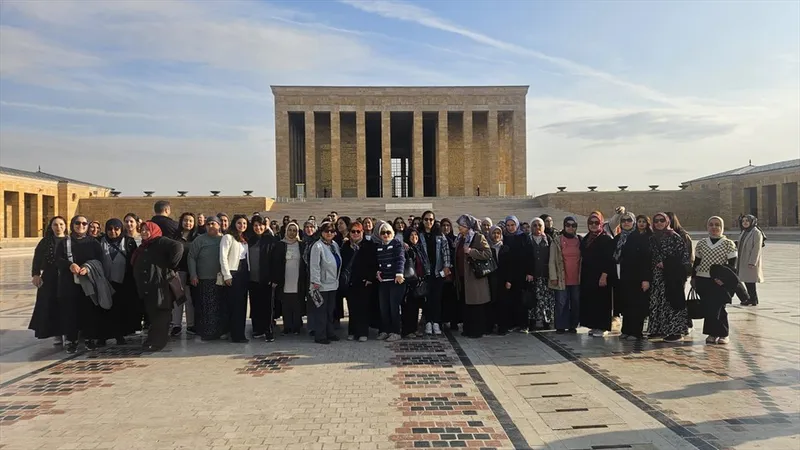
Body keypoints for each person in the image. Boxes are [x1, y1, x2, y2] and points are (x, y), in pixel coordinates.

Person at [131, 221, 183, 351]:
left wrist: (171, 264)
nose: (144, 232)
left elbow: (178, 246)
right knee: (154, 315)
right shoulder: (144, 246)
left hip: (160, 286)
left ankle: (158, 343)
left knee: (161, 314)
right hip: (149, 287)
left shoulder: (160, 241)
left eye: (147, 230)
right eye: (142, 229)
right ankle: (152, 340)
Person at [56, 215, 104, 353]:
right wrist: (69, 265)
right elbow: (57, 260)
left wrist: (88, 268)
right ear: (72, 225)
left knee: (88, 311)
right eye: (77, 223)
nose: (81, 226)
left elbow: (99, 260)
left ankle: (89, 339)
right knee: (70, 312)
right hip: (69, 284)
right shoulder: (65, 242)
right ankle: (72, 340)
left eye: (84, 223)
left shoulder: (93, 243)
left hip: (88, 282)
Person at [692, 216, 737, 345]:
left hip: (718, 281)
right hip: (703, 279)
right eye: (711, 224)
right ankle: (711, 333)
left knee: (719, 307)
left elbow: (732, 265)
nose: (714, 227)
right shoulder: (701, 243)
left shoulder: (728, 244)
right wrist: (694, 278)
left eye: (717, 225)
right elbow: (697, 262)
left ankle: (723, 333)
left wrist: (724, 280)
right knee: (708, 307)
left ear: (721, 227)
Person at [646, 212, 691, 342]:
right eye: (656, 221)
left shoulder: (675, 237)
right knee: (658, 302)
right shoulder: (652, 238)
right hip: (657, 277)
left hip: (672, 276)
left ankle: (676, 331)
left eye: (662, 220)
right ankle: (659, 329)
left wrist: (666, 264)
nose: (659, 223)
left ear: (667, 222)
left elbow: (683, 258)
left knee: (673, 303)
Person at [98, 218, 139, 345]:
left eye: (116, 229)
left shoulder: (129, 242)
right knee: (104, 309)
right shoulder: (99, 242)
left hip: (123, 283)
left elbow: (135, 261)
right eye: (110, 229)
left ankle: (119, 335)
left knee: (120, 310)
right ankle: (103, 335)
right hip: (104, 282)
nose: (113, 232)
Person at [612, 212, 651, 340]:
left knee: (637, 305)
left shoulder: (641, 237)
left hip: (638, 276)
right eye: (623, 220)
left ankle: (636, 332)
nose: (626, 223)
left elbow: (646, 259)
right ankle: (627, 330)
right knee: (627, 304)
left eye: (629, 220)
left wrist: (646, 278)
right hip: (624, 276)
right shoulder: (619, 238)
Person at [29, 216, 68, 345]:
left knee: (66, 304)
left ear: (65, 226)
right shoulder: (45, 241)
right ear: (51, 227)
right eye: (55, 225)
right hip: (50, 278)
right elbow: (37, 258)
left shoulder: (69, 240)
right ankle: (56, 332)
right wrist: (35, 274)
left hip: (66, 277)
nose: (59, 227)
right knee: (51, 304)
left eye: (61, 224)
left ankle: (68, 332)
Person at [454, 215, 492, 339]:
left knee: (476, 305)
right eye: (460, 225)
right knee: (466, 304)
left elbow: (487, 253)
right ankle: (467, 328)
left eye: (463, 225)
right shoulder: (460, 238)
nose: (460, 227)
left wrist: (471, 251)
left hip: (474, 277)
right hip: (462, 276)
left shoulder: (477, 237)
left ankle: (476, 330)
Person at [188, 216, 225, 341]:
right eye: (208, 224)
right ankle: (208, 332)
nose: (210, 226)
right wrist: (193, 274)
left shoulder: (224, 239)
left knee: (220, 306)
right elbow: (191, 257)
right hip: (204, 279)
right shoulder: (200, 240)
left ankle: (221, 331)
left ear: (219, 225)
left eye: (213, 223)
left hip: (221, 280)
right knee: (206, 307)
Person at [269, 222, 307, 335]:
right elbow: (275, 263)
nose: (292, 232)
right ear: (286, 231)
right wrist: (275, 279)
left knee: (296, 303)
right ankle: (287, 326)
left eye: (294, 230)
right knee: (286, 304)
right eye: (290, 230)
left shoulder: (301, 245)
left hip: (297, 277)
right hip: (285, 278)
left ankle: (296, 326)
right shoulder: (280, 245)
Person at [340, 221, 376, 341]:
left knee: (363, 308)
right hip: (350, 281)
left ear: (362, 232)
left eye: (358, 231)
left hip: (364, 281)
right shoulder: (345, 246)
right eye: (353, 231)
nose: (355, 234)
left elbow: (374, 263)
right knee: (352, 307)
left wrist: (370, 278)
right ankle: (352, 331)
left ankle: (363, 333)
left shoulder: (368, 245)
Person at [579, 212, 614, 337]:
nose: (593, 225)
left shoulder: (605, 238)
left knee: (602, 301)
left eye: (596, 223)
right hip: (589, 275)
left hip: (601, 275)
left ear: (601, 223)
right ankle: (594, 325)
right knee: (592, 301)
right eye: (591, 223)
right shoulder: (587, 238)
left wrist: (604, 275)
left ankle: (602, 327)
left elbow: (609, 259)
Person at [418, 211, 451, 336]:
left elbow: (445, 251)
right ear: (422, 220)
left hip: (437, 272)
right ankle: (428, 322)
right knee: (427, 298)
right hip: (425, 272)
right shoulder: (419, 235)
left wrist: (447, 266)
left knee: (436, 298)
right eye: (426, 219)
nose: (428, 222)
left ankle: (436, 322)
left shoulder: (439, 235)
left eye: (431, 219)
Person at [309, 222, 342, 344]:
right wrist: (315, 282)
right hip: (321, 285)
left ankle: (330, 332)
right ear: (321, 232)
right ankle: (320, 335)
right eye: (326, 231)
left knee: (330, 310)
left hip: (333, 283)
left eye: (332, 231)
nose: (329, 233)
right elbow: (314, 265)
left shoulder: (334, 245)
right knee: (321, 311)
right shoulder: (317, 246)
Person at [220, 215, 251, 343]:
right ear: (234, 224)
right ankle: (235, 334)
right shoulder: (228, 237)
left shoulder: (244, 238)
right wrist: (227, 275)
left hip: (244, 272)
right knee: (234, 305)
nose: (242, 226)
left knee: (242, 304)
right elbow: (223, 257)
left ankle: (240, 332)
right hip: (233, 272)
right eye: (239, 223)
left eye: (244, 223)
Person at [502, 215, 534, 332]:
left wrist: (530, 272)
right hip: (510, 275)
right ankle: (513, 323)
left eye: (513, 225)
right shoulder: (504, 238)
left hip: (522, 274)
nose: (510, 228)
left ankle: (523, 324)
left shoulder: (524, 237)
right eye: (508, 225)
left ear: (517, 225)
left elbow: (530, 255)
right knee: (512, 300)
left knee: (522, 300)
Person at [550, 216, 581, 334]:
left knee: (575, 302)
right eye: (568, 225)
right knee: (561, 302)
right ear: (564, 226)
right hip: (562, 278)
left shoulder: (579, 240)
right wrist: (553, 277)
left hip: (576, 278)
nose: (570, 227)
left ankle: (573, 325)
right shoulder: (557, 240)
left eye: (573, 225)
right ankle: (561, 325)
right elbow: (552, 260)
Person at [376, 222, 405, 342]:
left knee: (394, 308)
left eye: (388, 232)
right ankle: (386, 330)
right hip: (384, 281)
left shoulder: (397, 244)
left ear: (392, 233)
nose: (385, 235)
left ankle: (396, 331)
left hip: (395, 281)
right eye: (383, 233)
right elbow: (377, 261)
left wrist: (399, 273)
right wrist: (377, 271)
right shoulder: (379, 246)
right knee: (384, 307)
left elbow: (400, 258)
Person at [170, 213, 198, 337]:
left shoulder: (197, 237)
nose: (188, 223)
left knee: (190, 299)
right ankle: (176, 324)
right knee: (178, 298)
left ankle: (191, 324)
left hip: (192, 271)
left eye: (191, 221)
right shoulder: (175, 237)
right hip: (178, 271)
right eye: (186, 220)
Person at [248, 215, 274, 341]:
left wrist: (273, 277)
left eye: (260, 225)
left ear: (265, 226)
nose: (258, 228)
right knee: (255, 305)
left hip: (266, 279)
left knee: (267, 306)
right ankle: (257, 329)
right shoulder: (250, 240)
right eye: (255, 225)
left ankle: (268, 330)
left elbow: (275, 261)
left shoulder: (270, 240)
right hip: (252, 279)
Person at [529, 218, 555, 331]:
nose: (537, 227)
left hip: (545, 275)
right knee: (533, 299)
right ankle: (533, 321)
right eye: (534, 225)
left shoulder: (548, 239)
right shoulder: (527, 240)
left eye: (539, 225)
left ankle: (546, 321)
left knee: (546, 300)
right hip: (532, 275)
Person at [486, 225, 510, 335]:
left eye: (498, 233)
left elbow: (510, 266)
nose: (496, 235)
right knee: (491, 303)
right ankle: (489, 326)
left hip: (503, 280)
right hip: (491, 280)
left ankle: (502, 327)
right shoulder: (487, 249)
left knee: (503, 304)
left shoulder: (505, 248)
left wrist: (509, 280)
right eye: (494, 233)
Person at [737, 214, 764, 306]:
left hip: (750, 260)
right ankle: (752, 298)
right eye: (743, 221)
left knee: (750, 281)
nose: (745, 223)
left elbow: (756, 248)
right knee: (747, 280)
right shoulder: (744, 231)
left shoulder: (756, 232)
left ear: (752, 222)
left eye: (747, 221)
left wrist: (752, 262)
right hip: (743, 259)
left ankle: (753, 299)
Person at [439, 218, 460, 330]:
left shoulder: (455, 239)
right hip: (441, 273)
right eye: (443, 225)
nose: (446, 228)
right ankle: (442, 319)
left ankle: (454, 321)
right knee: (442, 298)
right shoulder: (438, 239)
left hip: (453, 274)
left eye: (448, 225)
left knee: (453, 299)